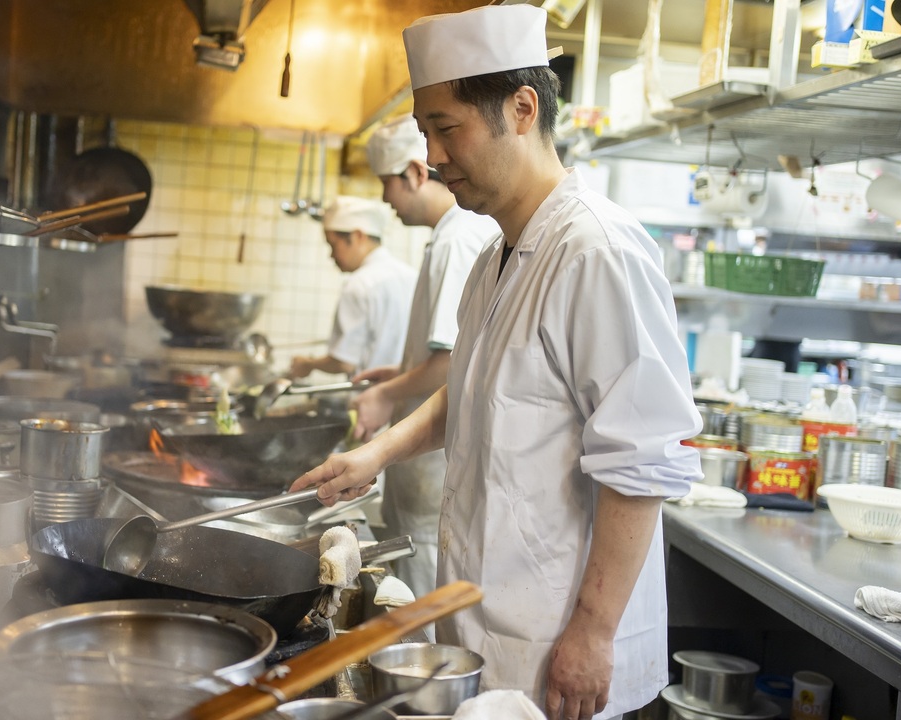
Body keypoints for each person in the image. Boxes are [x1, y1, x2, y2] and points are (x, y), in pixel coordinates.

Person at [290, 6, 703, 720]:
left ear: (521, 108)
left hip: (562, 640)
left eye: (447, 129)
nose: (436, 156)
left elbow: (644, 461)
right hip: (489, 620)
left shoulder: (597, 251)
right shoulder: (494, 257)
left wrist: (594, 631)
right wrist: (377, 454)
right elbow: (471, 392)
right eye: (426, 134)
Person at [351, 115, 500, 597]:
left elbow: (451, 363)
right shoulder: (449, 236)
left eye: (386, 184)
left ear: (416, 174)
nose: (385, 200)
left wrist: (384, 394)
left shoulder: (458, 239)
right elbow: (448, 352)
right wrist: (399, 373)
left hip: (433, 472)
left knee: (418, 607)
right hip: (420, 468)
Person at [289, 196, 417, 379]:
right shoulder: (410, 274)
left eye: (333, 245)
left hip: (370, 397)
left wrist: (308, 364)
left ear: (357, 236)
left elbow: (344, 362)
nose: (331, 255)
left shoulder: (359, 284)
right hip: (408, 394)